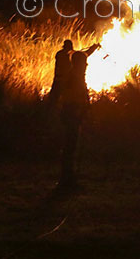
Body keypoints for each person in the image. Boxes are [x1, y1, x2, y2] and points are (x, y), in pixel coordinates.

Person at [47, 41, 99, 188]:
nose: (87, 65)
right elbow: (70, 98)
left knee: (72, 145)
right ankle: (66, 177)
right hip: (71, 114)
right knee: (70, 145)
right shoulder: (71, 77)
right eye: (85, 63)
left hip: (74, 113)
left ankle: (70, 176)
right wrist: (78, 111)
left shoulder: (77, 76)